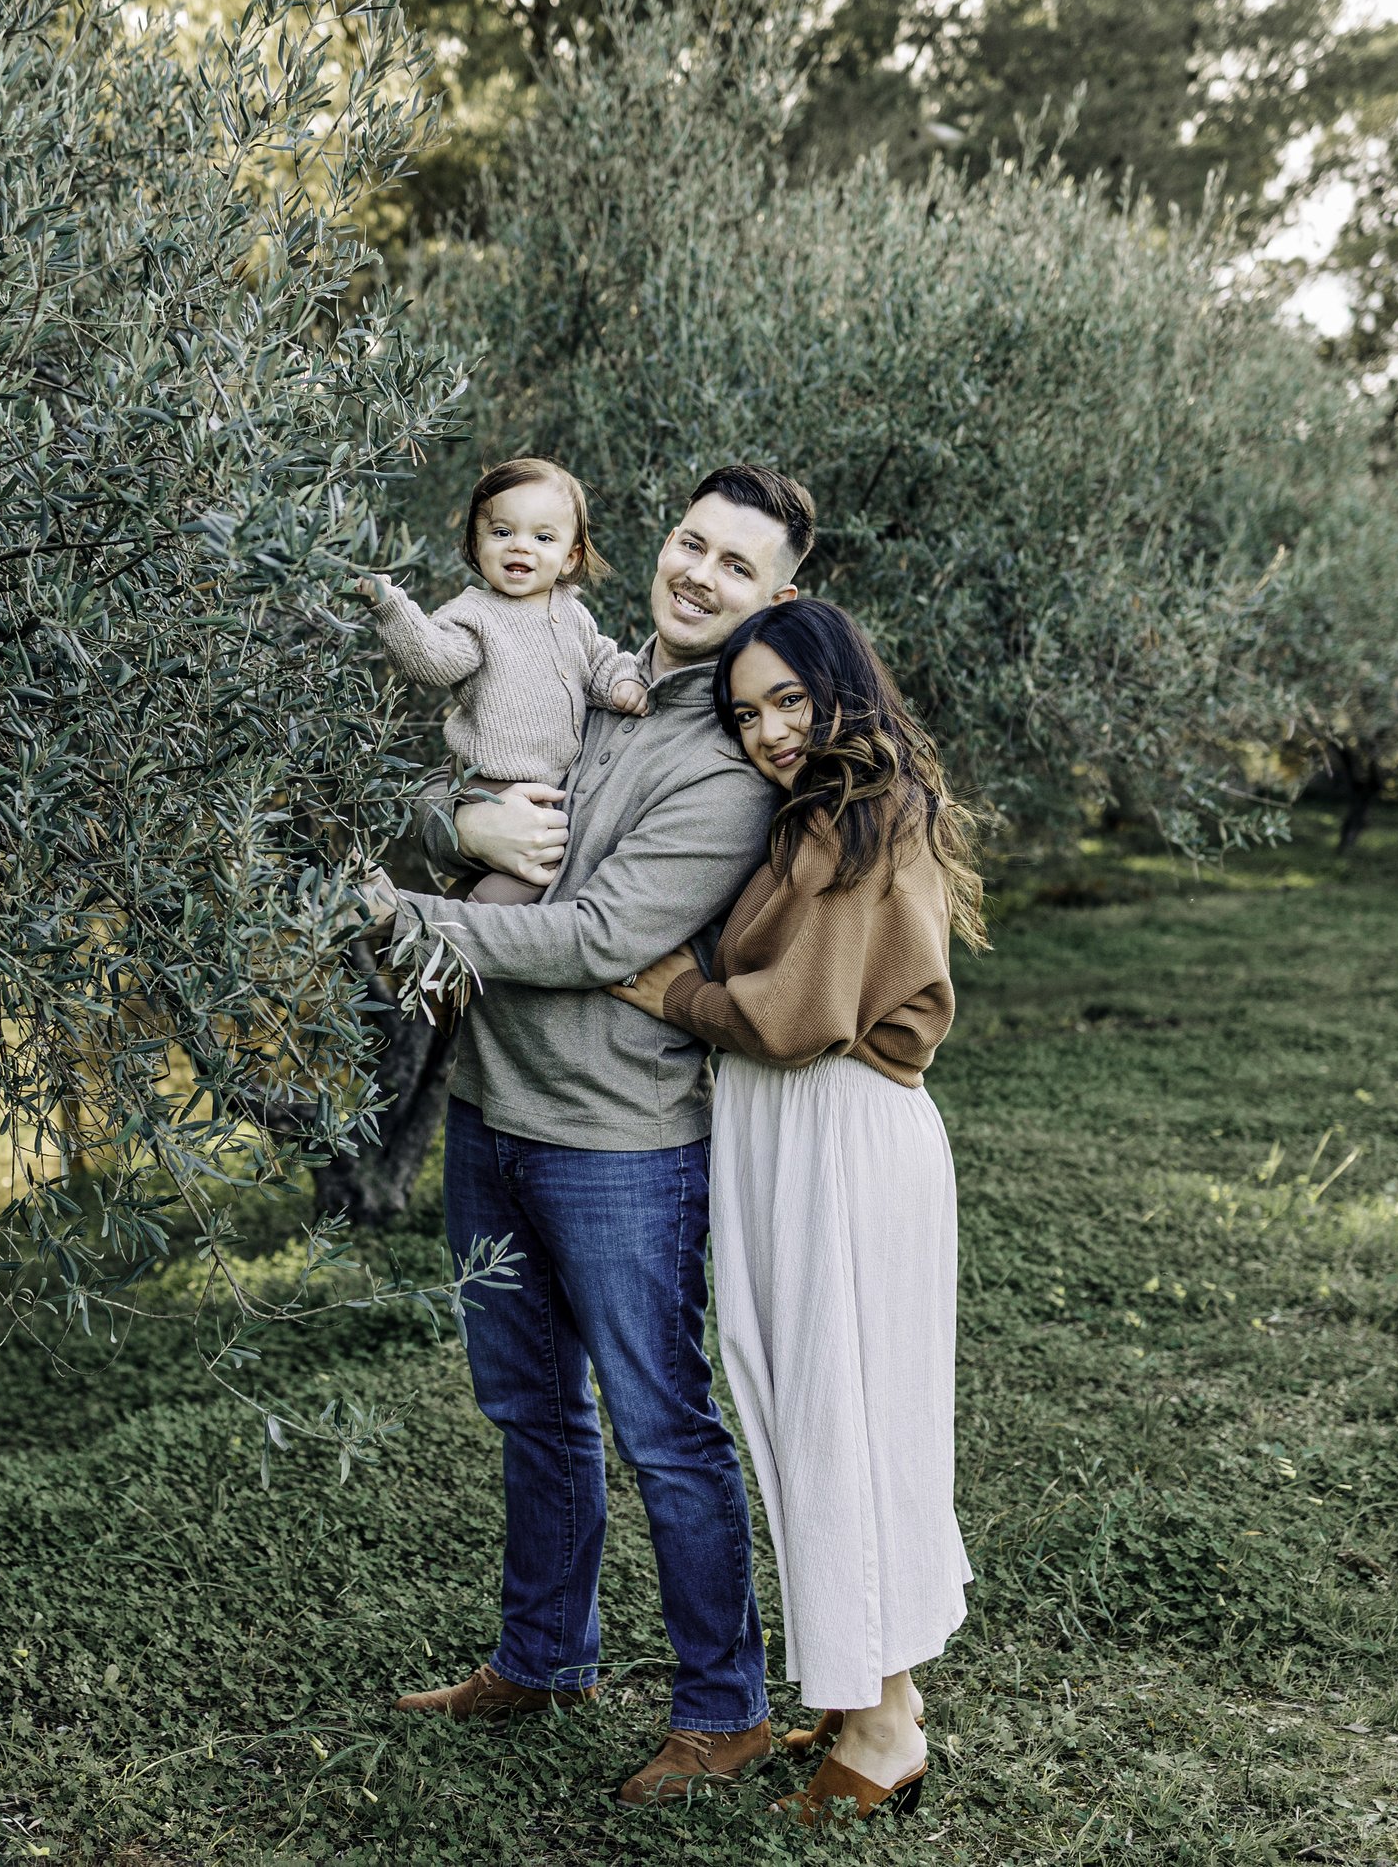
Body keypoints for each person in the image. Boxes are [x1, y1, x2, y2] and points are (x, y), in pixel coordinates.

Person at [364, 465, 816, 1806]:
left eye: (737, 567)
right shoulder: (580, 671)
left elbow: (602, 935)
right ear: (658, 546)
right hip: (490, 1111)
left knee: (664, 1428)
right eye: (692, 544)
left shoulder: (731, 763)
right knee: (530, 1414)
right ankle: (544, 1655)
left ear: (774, 598)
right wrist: (454, 822)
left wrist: (412, 917)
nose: (702, 575)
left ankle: (725, 1711)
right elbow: (436, 792)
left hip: (619, 1144)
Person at [607, 597, 985, 1826]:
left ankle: (883, 1729)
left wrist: (682, 997)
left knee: (841, 1419)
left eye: (788, 699)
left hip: (835, 1126)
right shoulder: (833, 808)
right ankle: (871, 1685)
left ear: (843, 690)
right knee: (819, 1410)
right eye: (746, 710)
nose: (769, 729)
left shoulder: (855, 816)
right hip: (799, 1130)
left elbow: (797, 1012)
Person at [358, 457, 649, 903]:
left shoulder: (570, 610)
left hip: (543, 788)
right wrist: (392, 608)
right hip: (489, 783)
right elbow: (431, 660)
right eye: (502, 532)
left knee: (513, 870)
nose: (521, 547)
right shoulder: (476, 615)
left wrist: (620, 683)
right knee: (534, 870)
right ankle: (449, 941)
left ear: (570, 556)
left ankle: (432, 928)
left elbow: (597, 659)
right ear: (476, 546)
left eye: (543, 537)